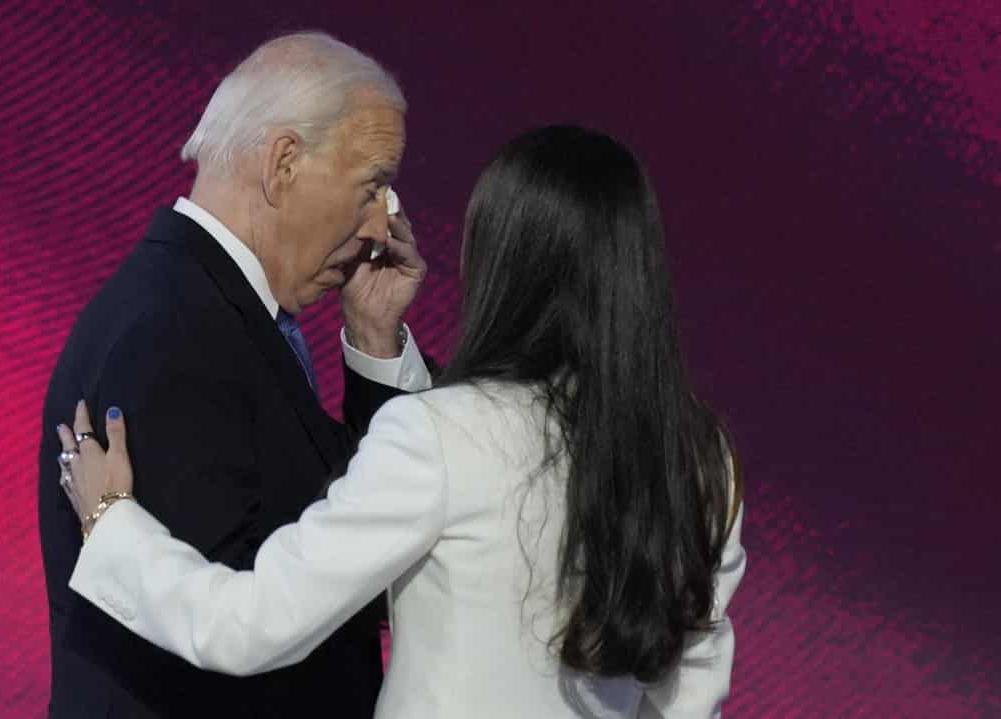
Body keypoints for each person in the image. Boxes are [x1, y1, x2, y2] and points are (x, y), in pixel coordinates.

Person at [55, 125, 748, 718]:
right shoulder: (701, 457)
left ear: (500, 261)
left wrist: (114, 521)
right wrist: (380, 339)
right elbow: (691, 698)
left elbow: (252, 623)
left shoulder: (440, 435)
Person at [37, 31, 433, 718]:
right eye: (372, 187)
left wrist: (374, 343)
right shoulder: (173, 330)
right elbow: (236, 618)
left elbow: (347, 530)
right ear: (282, 163)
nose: (380, 226)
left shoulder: (217, 314)